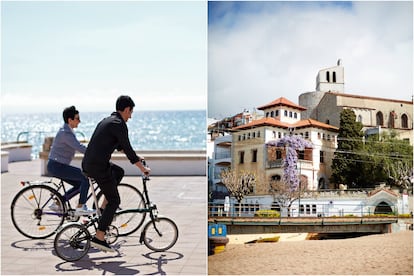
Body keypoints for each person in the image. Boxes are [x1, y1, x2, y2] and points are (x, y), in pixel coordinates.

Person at [82, 95, 150, 252]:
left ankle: (103, 207)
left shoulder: (108, 121)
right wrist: (142, 168)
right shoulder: (119, 124)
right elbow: (127, 148)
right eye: (130, 113)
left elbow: (120, 146)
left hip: (91, 164)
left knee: (118, 172)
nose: (130, 117)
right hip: (98, 167)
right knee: (115, 201)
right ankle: (99, 237)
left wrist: (137, 157)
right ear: (126, 109)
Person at [47, 106, 95, 216]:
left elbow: (80, 147)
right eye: (77, 118)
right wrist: (96, 153)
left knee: (80, 184)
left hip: (57, 165)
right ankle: (81, 207)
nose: (79, 121)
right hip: (57, 166)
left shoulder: (67, 131)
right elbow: (79, 147)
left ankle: (58, 202)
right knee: (85, 178)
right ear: (70, 120)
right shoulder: (65, 133)